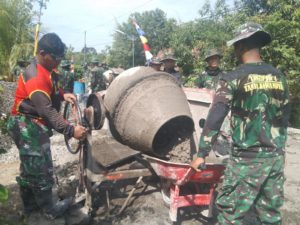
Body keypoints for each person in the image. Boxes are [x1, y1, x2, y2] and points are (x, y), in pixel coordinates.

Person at [191, 22, 290, 225]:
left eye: (235, 46)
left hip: (246, 160)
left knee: (231, 213)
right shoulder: (279, 77)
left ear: (241, 46)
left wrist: (201, 154)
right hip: (274, 159)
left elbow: (215, 118)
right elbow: (284, 118)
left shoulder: (232, 78)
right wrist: (279, 150)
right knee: (270, 215)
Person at [6, 33, 87, 219]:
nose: (58, 61)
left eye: (60, 58)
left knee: (29, 168)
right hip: (26, 124)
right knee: (40, 170)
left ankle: (31, 207)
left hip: (32, 122)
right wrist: (71, 130)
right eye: (55, 58)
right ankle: (50, 210)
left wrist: (62, 95)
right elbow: (47, 111)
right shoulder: (34, 77)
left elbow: (51, 90)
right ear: (42, 53)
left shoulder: (46, 70)